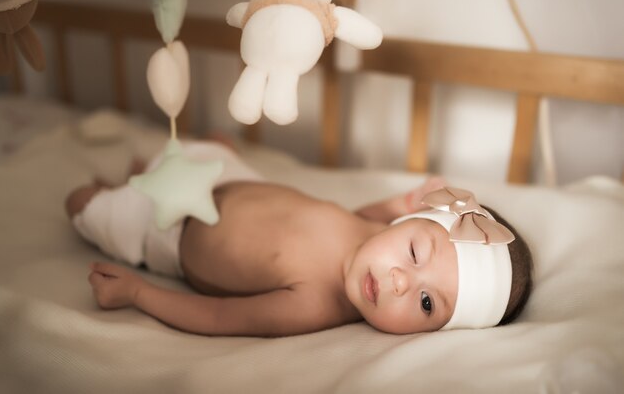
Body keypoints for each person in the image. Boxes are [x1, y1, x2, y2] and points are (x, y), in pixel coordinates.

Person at [65, 140, 533, 337]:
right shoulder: (373, 233)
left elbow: (220, 314)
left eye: (427, 304)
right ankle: (149, 167)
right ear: (407, 224)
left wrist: (138, 292)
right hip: (228, 176)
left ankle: (114, 191)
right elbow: (361, 218)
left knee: (81, 203)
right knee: (211, 144)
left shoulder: (317, 303)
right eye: (414, 252)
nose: (398, 282)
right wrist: (397, 201)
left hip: (166, 230)